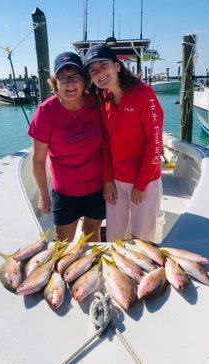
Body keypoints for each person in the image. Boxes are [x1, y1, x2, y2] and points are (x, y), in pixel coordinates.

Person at [84, 44, 163, 242]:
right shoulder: (104, 98)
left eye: (103, 65)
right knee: (114, 238)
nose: (99, 73)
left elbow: (154, 143)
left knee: (142, 240)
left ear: (117, 66)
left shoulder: (143, 94)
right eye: (93, 71)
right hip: (117, 182)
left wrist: (141, 184)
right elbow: (106, 142)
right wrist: (108, 180)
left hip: (145, 181)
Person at [28, 52, 107, 242]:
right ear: (55, 83)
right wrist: (44, 196)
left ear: (84, 80)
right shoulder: (46, 112)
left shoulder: (97, 103)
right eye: (63, 78)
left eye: (75, 77)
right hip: (65, 192)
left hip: (96, 188)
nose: (70, 83)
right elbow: (38, 159)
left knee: (92, 232)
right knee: (63, 241)